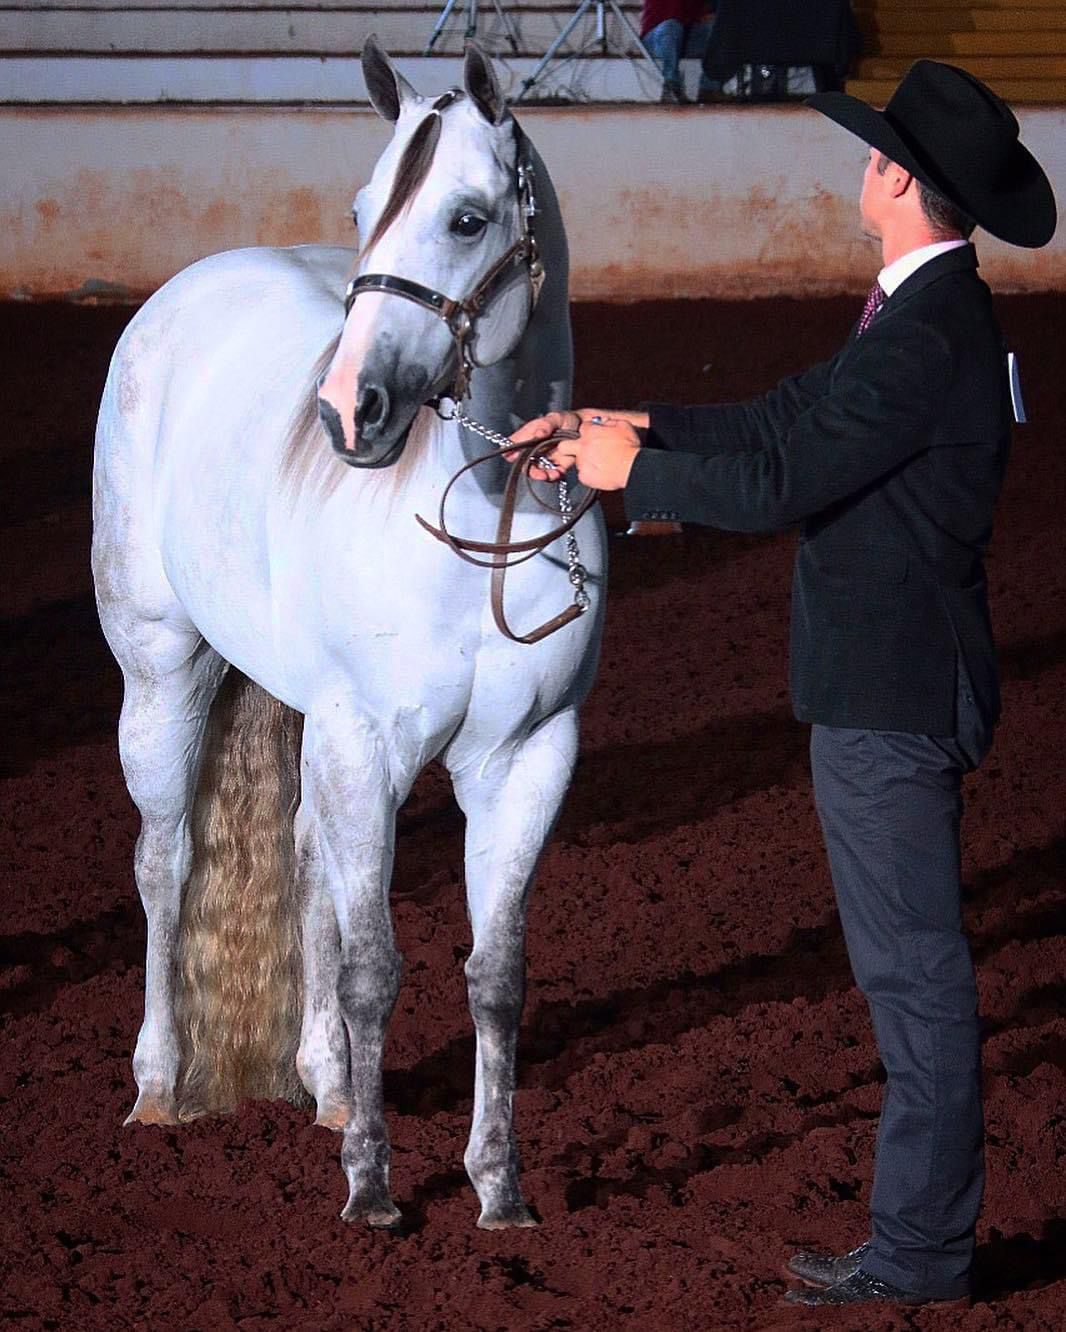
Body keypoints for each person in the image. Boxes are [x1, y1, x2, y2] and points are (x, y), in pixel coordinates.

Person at [509, 61, 1056, 1307]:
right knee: (908, 978)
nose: (862, 165)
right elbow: (780, 423)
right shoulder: (914, 317)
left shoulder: (925, 336)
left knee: (914, 982)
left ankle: (921, 1254)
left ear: (900, 179)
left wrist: (622, 475)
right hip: (887, 688)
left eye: (877, 153)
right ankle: (919, 1243)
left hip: (892, 697)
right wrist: (626, 425)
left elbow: (778, 484)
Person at [640, 0, 721, 103]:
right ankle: (671, 85)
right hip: (657, 37)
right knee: (670, 26)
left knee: (717, 26)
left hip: (686, 35)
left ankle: (708, 88)